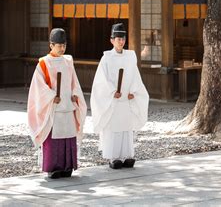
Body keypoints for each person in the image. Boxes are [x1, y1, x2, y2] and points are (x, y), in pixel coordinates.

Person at [27, 28, 87, 179]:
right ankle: (53, 168)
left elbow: (74, 82)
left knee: (68, 136)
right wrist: (51, 96)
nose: (62, 48)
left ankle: (68, 166)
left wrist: (75, 94)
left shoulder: (68, 61)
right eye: (59, 45)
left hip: (67, 104)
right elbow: (38, 86)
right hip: (53, 107)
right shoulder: (43, 63)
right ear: (51, 45)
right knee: (53, 138)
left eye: (64, 45)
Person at [90, 23, 149, 169]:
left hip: (126, 100)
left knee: (126, 128)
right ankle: (113, 157)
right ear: (111, 40)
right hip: (114, 100)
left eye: (122, 38)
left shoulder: (130, 57)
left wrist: (133, 92)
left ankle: (127, 155)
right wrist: (111, 91)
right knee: (113, 128)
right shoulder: (107, 58)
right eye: (117, 38)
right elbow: (101, 80)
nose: (121, 41)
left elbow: (135, 76)